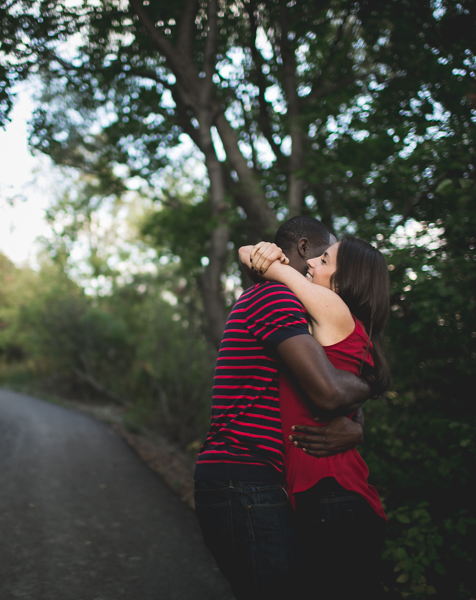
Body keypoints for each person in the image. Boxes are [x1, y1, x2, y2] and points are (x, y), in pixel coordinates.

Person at [193, 216, 372, 600]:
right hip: (243, 478)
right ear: (305, 249)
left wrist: (357, 423)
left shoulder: (292, 305)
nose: (315, 267)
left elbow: (326, 379)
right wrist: (367, 390)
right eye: (323, 256)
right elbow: (326, 391)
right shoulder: (275, 297)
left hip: (257, 478)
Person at [246, 235, 391, 599]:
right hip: (327, 498)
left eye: (324, 261)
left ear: (341, 284)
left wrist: (266, 254)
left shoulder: (330, 306)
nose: (310, 263)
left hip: (334, 498)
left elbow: (258, 261)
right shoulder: (338, 321)